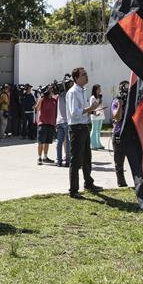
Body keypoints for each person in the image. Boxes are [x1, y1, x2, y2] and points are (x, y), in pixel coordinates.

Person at [66, 67, 102, 198]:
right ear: (76, 78)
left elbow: (83, 110)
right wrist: (89, 108)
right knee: (76, 160)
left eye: (86, 74)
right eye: (83, 75)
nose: (86, 76)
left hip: (84, 126)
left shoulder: (82, 91)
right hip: (76, 128)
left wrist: (91, 110)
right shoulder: (73, 92)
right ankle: (73, 190)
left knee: (87, 157)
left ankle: (88, 183)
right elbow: (74, 113)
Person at [110, 87, 129, 187]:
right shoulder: (115, 102)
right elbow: (117, 117)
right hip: (119, 134)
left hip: (130, 134)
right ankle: (121, 183)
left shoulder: (132, 102)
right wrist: (120, 105)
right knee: (119, 162)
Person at [34, 86, 58, 165]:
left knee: (47, 142)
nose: (52, 90)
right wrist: (41, 97)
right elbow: (37, 108)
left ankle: (45, 157)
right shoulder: (43, 99)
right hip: (42, 123)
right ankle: (39, 158)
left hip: (51, 123)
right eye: (51, 89)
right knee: (41, 142)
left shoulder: (54, 100)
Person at [55, 82, 70, 167]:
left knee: (59, 142)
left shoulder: (59, 96)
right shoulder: (67, 95)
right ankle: (67, 160)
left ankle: (58, 160)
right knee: (67, 142)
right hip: (66, 121)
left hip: (59, 121)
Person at [89, 85, 105, 150]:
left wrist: (102, 107)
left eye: (100, 89)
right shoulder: (92, 98)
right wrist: (99, 103)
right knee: (94, 130)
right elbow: (92, 107)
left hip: (100, 115)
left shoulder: (99, 97)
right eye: (98, 89)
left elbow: (100, 106)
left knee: (98, 131)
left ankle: (98, 144)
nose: (100, 90)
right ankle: (92, 144)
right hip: (95, 115)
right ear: (95, 90)